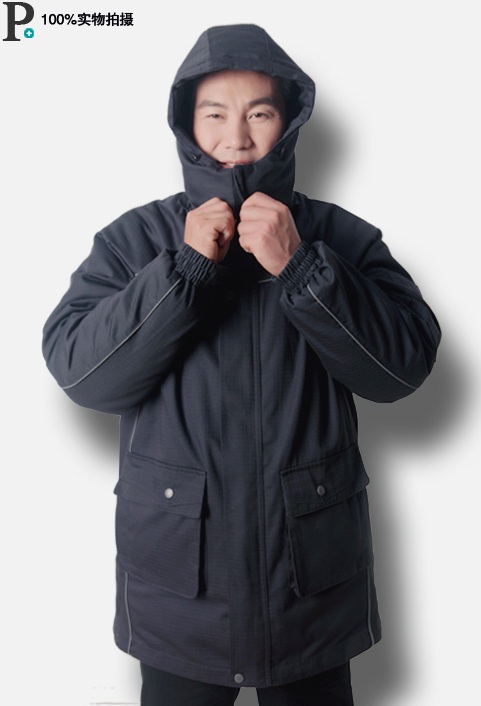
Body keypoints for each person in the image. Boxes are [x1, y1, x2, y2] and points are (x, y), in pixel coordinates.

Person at [42, 24, 441, 706]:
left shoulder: (338, 236)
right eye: (214, 114)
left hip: (308, 587)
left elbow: (401, 370)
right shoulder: (135, 240)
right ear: (186, 126)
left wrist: (302, 268)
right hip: (180, 591)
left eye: (258, 113)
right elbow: (82, 374)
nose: (237, 136)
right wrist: (183, 270)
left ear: (288, 123)